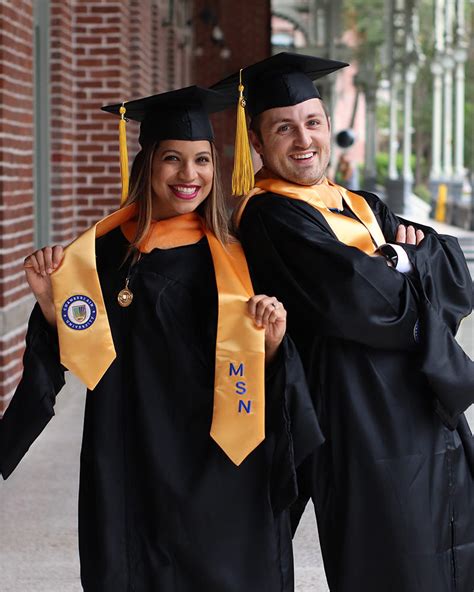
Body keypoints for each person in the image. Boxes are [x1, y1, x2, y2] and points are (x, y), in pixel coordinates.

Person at [0, 86, 322, 592]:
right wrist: (49, 302)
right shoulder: (102, 255)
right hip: (134, 453)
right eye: (172, 159)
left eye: (201, 160)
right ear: (146, 166)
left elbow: (278, 377)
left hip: (224, 464)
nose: (188, 175)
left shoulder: (241, 257)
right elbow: (84, 357)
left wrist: (274, 341)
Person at [213, 53, 474, 591]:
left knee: (451, 548)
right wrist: (404, 263)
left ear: (329, 126)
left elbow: (450, 266)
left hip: (425, 407)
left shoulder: (362, 203)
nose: (302, 139)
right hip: (360, 416)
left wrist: (397, 262)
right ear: (257, 143)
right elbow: (353, 296)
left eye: (312, 122)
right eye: (283, 128)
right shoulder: (269, 215)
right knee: (391, 555)